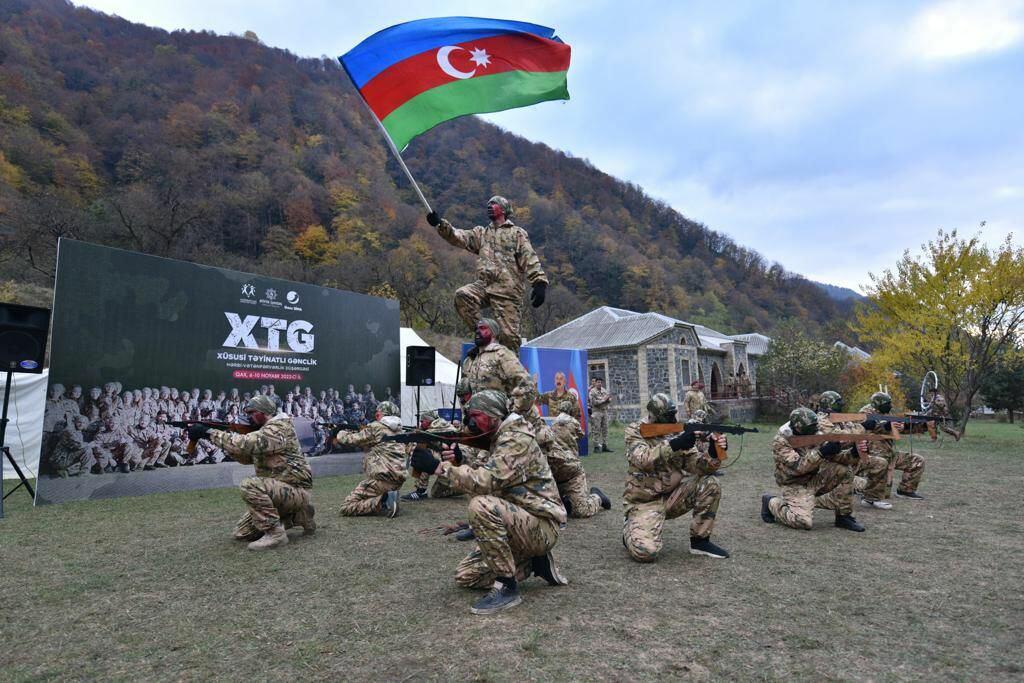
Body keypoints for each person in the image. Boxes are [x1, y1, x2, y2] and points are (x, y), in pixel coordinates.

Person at [410, 389, 568, 614]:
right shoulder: (499, 436)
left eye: (476, 416)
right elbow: (485, 471)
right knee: (467, 575)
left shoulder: (516, 440)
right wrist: (459, 459)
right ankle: (533, 563)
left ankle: (507, 586)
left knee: (481, 505)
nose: (471, 423)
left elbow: (485, 481)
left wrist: (438, 468)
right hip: (517, 521)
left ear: (494, 416)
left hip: (541, 524)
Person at [188, 395, 315, 550]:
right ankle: (299, 514)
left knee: (250, 485)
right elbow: (246, 457)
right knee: (242, 533)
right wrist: (224, 441)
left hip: (295, 489)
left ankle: (276, 535)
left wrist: (209, 433)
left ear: (264, 412)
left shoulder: (278, 429)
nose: (249, 417)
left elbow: (245, 444)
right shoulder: (266, 430)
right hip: (280, 491)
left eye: (251, 412)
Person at [427, 195, 548, 352]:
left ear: (503, 210)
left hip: (507, 291)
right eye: (489, 204)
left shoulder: (516, 233)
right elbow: (459, 237)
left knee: (509, 338)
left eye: (494, 204)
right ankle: (486, 336)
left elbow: (529, 257)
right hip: (484, 285)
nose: (490, 206)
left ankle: (508, 363)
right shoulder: (482, 233)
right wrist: (440, 224)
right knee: (463, 295)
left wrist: (539, 282)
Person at [622, 394, 728, 562]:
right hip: (644, 502)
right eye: (668, 416)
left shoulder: (678, 431)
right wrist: (675, 444)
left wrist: (713, 452)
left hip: (673, 497)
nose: (672, 419)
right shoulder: (635, 430)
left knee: (710, 483)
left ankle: (700, 541)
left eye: (673, 414)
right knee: (646, 552)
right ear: (655, 416)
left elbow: (698, 467)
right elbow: (643, 460)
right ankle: (629, 528)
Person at [760, 407, 866, 532]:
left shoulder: (814, 433)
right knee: (803, 522)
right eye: (811, 428)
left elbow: (836, 457)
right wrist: (821, 452)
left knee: (844, 470)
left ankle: (844, 517)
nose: (816, 430)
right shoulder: (781, 441)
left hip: (814, 478)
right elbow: (799, 467)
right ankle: (771, 502)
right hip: (793, 484)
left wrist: (853, 453)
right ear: (798, 428)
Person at [815, 391, 891, 511]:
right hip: (831, 461)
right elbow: (841, 437)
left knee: (880, 463)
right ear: (829, 405)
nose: (841, 404)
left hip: (848, 456)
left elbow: (854, 429)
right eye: (838, 403)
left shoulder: (839, 417)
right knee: (854, 479)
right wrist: (862, 427)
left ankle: (871, 499)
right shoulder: (821, 420)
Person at [334, 400, 406, 517]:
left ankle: (384, 499)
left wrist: (340, 432)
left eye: (378, 413)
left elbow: (350, 439)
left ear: (382, 414)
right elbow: (371, 441)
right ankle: (386, 498)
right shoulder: (399, 429)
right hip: (397, 479)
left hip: (381, 480)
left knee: (346, 506)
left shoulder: (376, 427)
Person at [544, 403, 611, 518]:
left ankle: (597, 497)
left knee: (581, 510)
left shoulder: (553, 423)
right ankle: (564, 501)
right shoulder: (573, 422)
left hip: (570, 469)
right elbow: (581, 435)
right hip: (558, 471)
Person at [461, 318, 538, 417]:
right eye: (476, 329)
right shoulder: (470, 360)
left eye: (483, 328)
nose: (478, 331)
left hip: (499, 416)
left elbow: (527, 384)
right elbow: (464, 392)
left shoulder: (502, 354)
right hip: (478, 418)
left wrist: (514, 412)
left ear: (494, 333)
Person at [860, 392, 926, 500]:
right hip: (873, 456)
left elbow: (897, 428)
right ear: (878, 404)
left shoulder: (888, 413)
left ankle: (906, 490)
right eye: (887, 404)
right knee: (885, 494)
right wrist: (887, 425)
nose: (890, 406)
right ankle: (865, 491)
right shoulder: (866, 411)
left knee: (917, 461)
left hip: (889, 454)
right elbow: (867, 425)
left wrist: (920, 425)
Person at [588, 377, 613, 453]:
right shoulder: (592, 392)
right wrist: (603, 400)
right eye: (598, 382)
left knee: (605, 429)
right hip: (596, 412)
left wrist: (608, 400)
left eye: (601, 382)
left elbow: (608, 400)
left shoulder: (604, 390)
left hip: (604, 411)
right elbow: (594, 402)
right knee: (596, 429)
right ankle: (596, 447)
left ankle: (604, 446)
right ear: (595, 383)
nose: (600, 384)